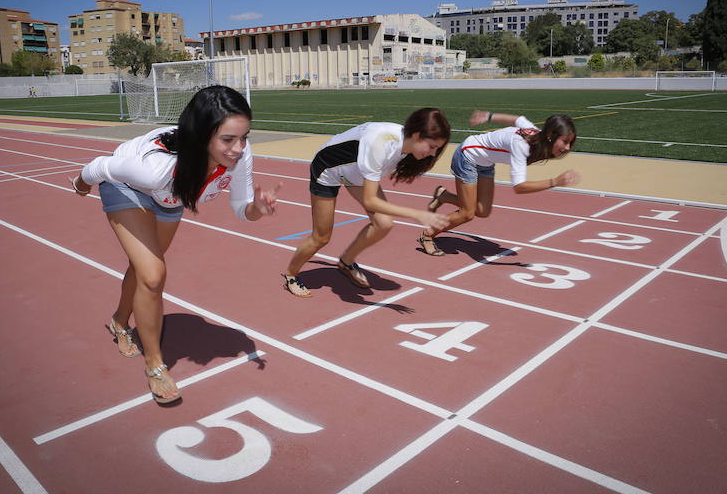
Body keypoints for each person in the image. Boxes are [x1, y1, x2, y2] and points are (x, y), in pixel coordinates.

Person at [70, 86, 280, 404]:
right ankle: (155, 364)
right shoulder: (153, 167)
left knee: (144, 268)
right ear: (201, 135)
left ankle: (119, 321)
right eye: (228, 139)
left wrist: (257, 209)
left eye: (245, 136)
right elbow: (102, 166)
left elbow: (242, 208)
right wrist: (82, 183)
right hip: (127, 187)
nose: (239, 148)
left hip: (171, 195)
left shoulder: (239, 155)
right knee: (153, 274)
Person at [282, 108, 452, 297]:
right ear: (417, 135)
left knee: (384, 223)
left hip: (357, 173)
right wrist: (417, 214)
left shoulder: (406, 147)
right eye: (431, 147)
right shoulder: (380, 142)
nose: (432, 154)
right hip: (328, 169)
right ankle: (291, 274)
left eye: (437, 149)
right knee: (321, 237)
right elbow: (370, 201)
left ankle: (346, 261)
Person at [418, 110, 580, 256]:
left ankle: (443, 196)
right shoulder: (521, 146)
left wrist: (489, 116)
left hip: (485, 164)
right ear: (550, 135)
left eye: (570, 143)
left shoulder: (537, 135)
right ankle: (427, 235)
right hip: (467, 156)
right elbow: (519, 187)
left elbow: (518, 119)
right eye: (565, 141)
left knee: (482, 211)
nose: (567, 147)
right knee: (467, 214)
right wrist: (555, 181)